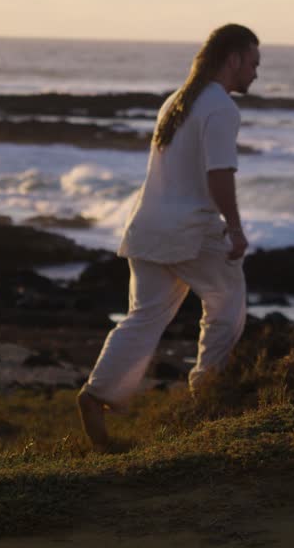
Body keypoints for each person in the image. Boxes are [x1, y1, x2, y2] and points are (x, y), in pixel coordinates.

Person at [77, 23, 260, 452]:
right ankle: (206, 398)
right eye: (253, 62)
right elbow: (219, 174)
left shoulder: (177, 101)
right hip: (190, 231)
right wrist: (234, 228)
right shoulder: (221, 107)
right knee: (227, 307)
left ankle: (96, 394)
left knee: (144, 318)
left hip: (147, 226)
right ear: (232, 59)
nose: (255, 73)